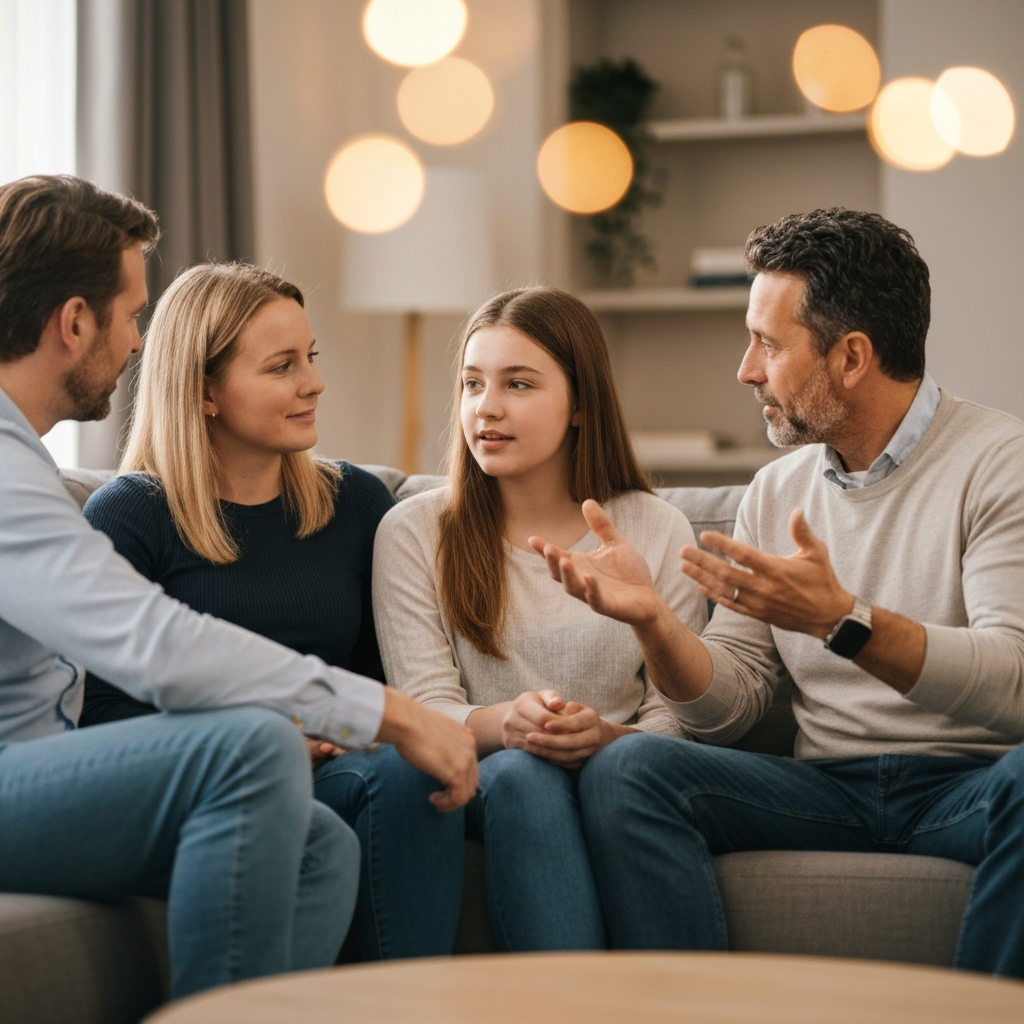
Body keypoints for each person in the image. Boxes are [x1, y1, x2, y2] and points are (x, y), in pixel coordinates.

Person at [0, 174, 477, 999]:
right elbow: (145, 640)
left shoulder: (23, 458)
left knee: (316, 847)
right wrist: (388, 713)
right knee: (249, 748)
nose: (141, 341)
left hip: (45, 771)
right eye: (131, 313)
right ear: (75, 323)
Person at [531, 208, 1024, 977]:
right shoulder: (778, 488)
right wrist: (655, 624)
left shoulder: (999, 464)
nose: (746, 369)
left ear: (852, 356)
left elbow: (1013, 680)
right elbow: (729, 712)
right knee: (629, 769)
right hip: (823, 788)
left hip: (968, 786)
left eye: (767, 343)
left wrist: (843, 621)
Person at [81, 260, 464, 960]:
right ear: (205, 392)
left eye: (310, 358)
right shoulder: (132, 516)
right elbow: (104, 717)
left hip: (344, 771)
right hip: (215, 782)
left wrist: (344, 730)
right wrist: (269, 730)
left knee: (408, 773)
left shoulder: (357, 504)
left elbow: (386, 683)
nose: (314, 382)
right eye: (282, 366)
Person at [373, 286, 707, 951]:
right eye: (472, 384)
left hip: (623, 778)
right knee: (524, 774)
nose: (486, 408)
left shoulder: (655, 528)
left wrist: (609, 737)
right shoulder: (413, 532)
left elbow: (683, 712)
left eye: (518, 384)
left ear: (581, 402)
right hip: (489, 782)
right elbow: (427, 710)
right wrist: (510, 724)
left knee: (605, 776)